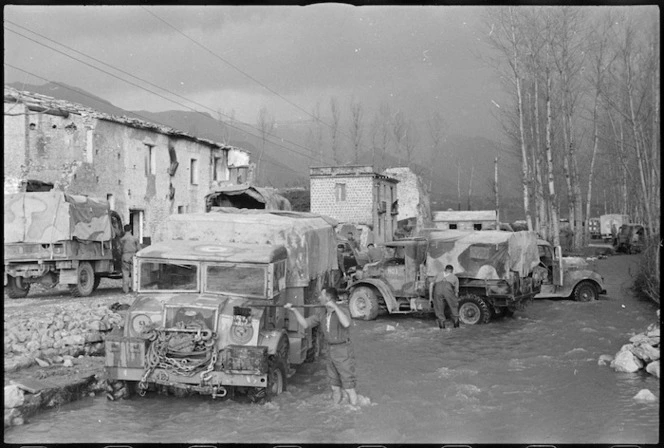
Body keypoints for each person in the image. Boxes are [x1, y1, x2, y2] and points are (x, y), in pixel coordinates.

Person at [284, 287, 358, 405]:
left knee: (349, 387)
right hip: (330, 350)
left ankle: (354, 411)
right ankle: (336, 409)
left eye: (321, 296)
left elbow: (346, 323)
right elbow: (305, 323)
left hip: (343, 350)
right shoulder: (322, 313)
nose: (319, 298)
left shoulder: (343, 309)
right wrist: (294, 310)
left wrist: (335, 308)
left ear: (328, 298)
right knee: (335, 387)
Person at [430, 264, 460, 329]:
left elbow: (431, 284)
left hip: (437, 289)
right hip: (448, 290)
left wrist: (431, 298)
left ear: (445, 269)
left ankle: (442, 327)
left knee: (439, 307)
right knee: (453, 306)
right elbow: (456, 292)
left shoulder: (439, 274)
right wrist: (455, 300)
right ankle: (456, 325)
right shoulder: (454, 277)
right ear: (452, 271)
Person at [120, 224, 141, 294]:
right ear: (131, 230)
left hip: (125, 256)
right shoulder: (135, 239)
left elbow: (119, 250)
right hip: (133, 256)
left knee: (125, 273)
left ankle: (126, 290)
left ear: (124, 230)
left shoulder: (122, 239)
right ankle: (134, 289)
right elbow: (139, 249)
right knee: (133, 273)